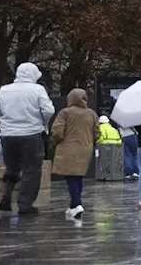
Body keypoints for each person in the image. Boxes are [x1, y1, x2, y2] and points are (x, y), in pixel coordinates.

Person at [0, 62, 56, 215]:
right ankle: (25, 204)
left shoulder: (5, 90)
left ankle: (6, 197)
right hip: (31, 134)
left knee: (11, 168)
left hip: (8, 136)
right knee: (31, 170)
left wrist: (4, 123)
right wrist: (43, 123)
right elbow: (48, 110)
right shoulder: (37, 89)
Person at [50, 88, 99, 218]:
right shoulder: (92, 114)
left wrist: (56, 141)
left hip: (68, 148)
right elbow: (97, 133)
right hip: (85, 148)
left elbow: (57, 131)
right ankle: (73, 205)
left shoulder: (65, 113)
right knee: (78, 177)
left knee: (70, 177)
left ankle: (77, 204)